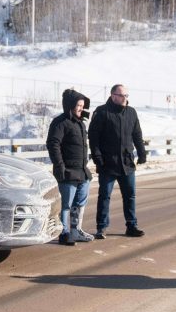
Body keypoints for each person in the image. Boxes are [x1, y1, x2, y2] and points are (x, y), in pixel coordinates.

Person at [88, 83, 147, 239]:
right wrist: (97, 158)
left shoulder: (131, 112)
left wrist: (142, 153)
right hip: (108, 163)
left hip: (127, 163)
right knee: (104, 195)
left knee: (130, 195)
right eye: (122, 95)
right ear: (113, 95)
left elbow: (137, 135)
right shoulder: (101, 112)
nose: (125, 98)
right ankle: (101, 227)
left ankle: (132, 226)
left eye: (127, 95)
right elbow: (93, 138)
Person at [46, 89, 94, 246]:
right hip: (67, 171)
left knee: (80, 203)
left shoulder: (80, 123)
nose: (81, 108)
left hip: (82, 171)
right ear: (69, 106)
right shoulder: (60, 122)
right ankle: (64, 233)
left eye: (82, 105)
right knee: (65, 204)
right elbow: (53, 144)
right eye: (78, 105)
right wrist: (60, 166)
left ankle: (76, 230)